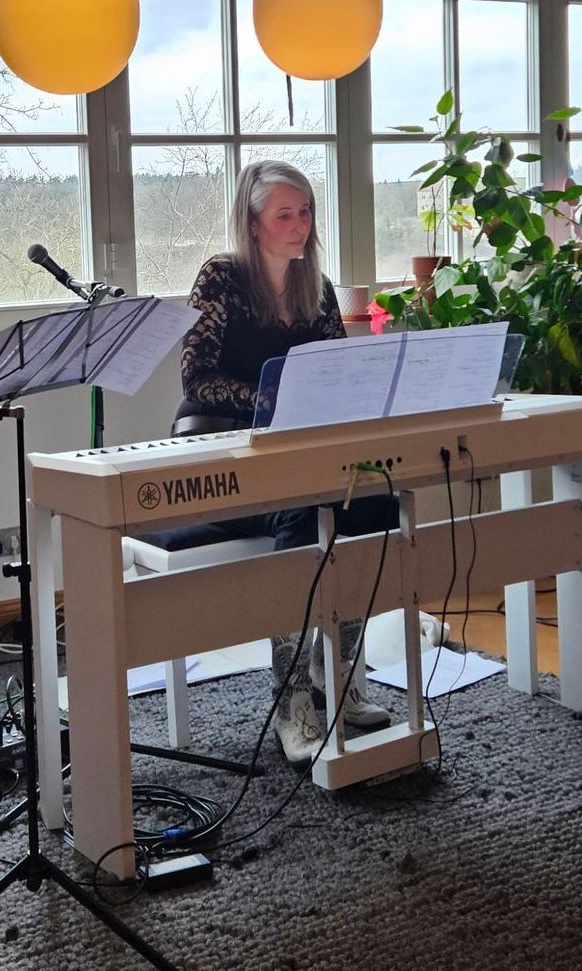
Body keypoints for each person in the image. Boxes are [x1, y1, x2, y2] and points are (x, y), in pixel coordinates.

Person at [178, 159, 397, 766]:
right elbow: (196, 379)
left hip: (296, 450)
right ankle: (291, 696)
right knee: (301, 512)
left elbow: (338, 373)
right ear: (253, 224)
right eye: (284, 215)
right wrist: (271, 399)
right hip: (221, 453)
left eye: (305, 212)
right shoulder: (221, 278)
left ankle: (337, 672)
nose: (300, 225)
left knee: (376, 504)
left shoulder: (316, 288)